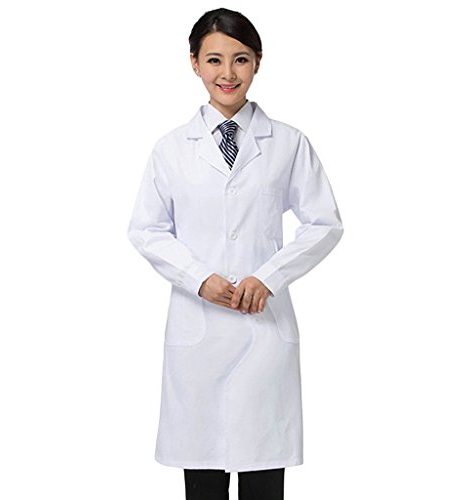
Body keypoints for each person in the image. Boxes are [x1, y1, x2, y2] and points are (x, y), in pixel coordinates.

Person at [127, 7, 344, 500]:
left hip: (262, 329)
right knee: (202, 481)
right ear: (194, 63)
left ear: (258, 62)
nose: (228, 73)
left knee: (264, 480)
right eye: (214, 60)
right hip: (197, 329)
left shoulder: (288, 144)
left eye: (241, 59)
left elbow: (325, 222)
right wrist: (198, 278)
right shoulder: (170, 149)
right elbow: (147, 229)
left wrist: (269, 276)